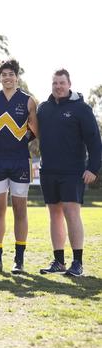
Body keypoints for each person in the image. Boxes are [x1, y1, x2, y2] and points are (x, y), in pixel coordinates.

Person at [37, 69, 101, 277]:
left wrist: (93, 168)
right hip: (48, 171)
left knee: (71, 213)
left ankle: (78, 263)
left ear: (69, 83)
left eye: (61, 83)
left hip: (73, 172)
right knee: (54, 215)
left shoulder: (81, 109)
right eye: (55, 83)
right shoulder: (43, 109)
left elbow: (94, 141)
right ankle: (58, 261)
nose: (58, 86)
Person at [0, 59, 38, 274]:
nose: (7, 77)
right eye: (3, 74)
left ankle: (19, 260)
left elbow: (35, 129)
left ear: (17, 77)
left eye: (11, 74)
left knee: (20, 210)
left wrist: (20, 140)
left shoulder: (28, 101)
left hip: (19, 161)